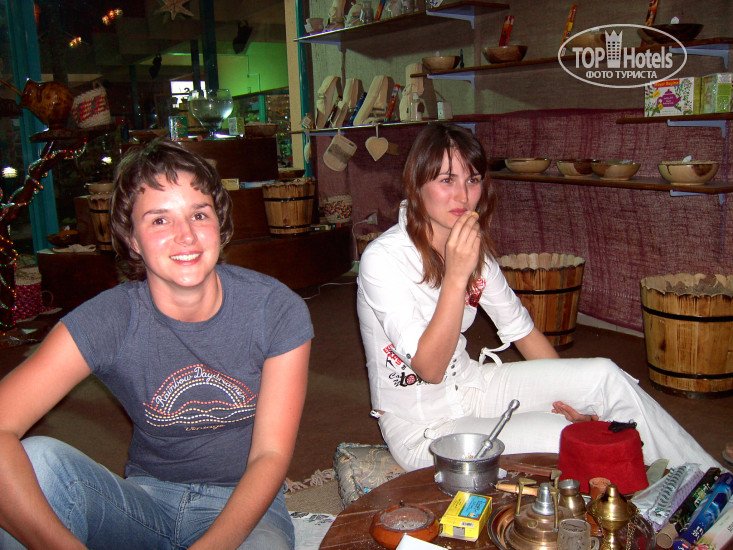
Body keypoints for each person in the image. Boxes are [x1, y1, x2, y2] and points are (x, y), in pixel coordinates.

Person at [0, 138, 312, 549]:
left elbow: (269, 455)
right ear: (132, 238)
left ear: (219, 224)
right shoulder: (109, 319)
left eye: (198, 214)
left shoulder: (276, 310)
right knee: (36, 462)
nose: (186, 236)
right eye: (160, 220)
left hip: (244, 508)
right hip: (146, 502)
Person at [356, 122, 721, 473]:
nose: (463, 196)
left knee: (604, 376)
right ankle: (650, 495)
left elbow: (523, 332)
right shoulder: (383, 259)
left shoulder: (471, 249)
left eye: (473, 179)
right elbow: (430, 369)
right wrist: (456, 275)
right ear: (417, 183)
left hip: (471, 387)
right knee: (565, 436)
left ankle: (710, 482)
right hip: (422, 428)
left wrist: (566, 399)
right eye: (446, 180)